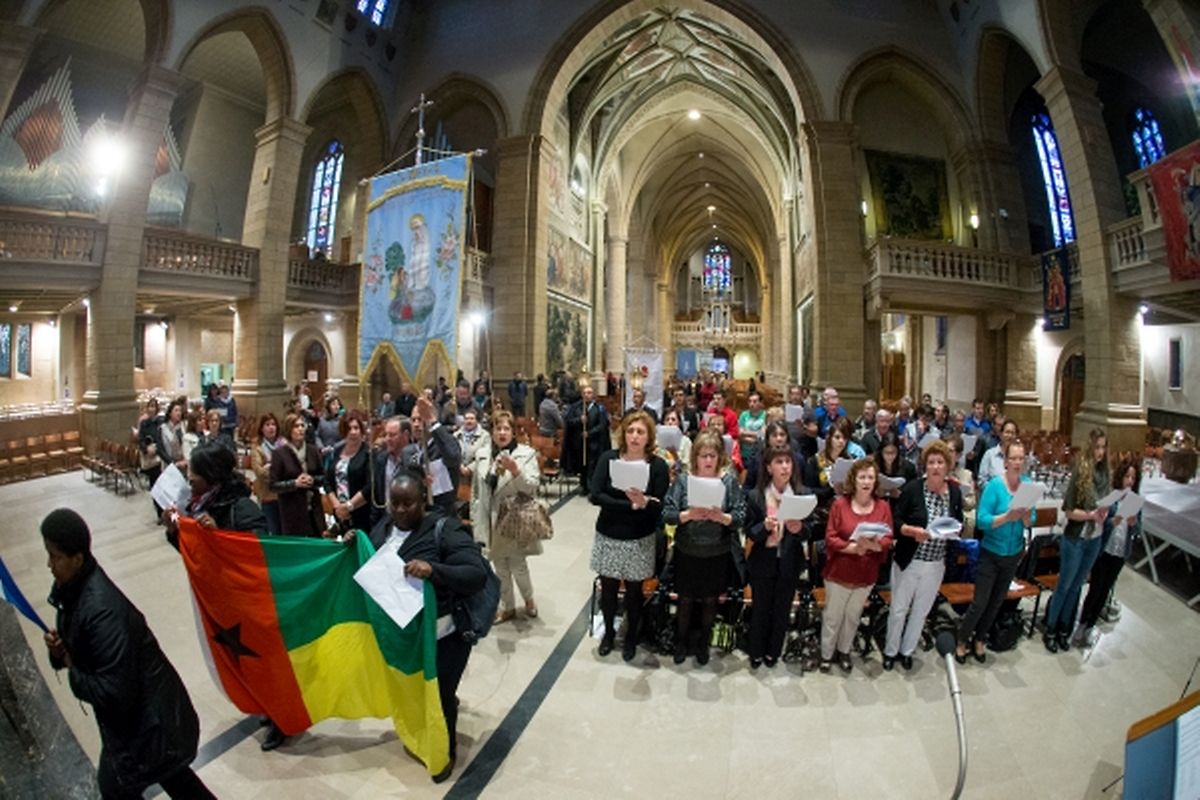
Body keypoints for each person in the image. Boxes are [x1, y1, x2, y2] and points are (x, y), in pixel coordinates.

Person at [41, 508, 215, 800]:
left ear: (78, 558)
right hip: (141, 723)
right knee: (175, 780)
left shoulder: (102, 610)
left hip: (148, 721)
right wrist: (60, 653)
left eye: (55, 556)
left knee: (120, 788)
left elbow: (114, 691)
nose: (49, 564)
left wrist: (73, 670)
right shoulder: (73, 591)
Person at [364, 475, 488, 783]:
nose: (401, 510)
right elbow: (370, 561)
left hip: (445, 635)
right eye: (395, 503)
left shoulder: (444, 530)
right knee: (417, 689)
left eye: (409, 503)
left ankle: (443, 753)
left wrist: (434, 570)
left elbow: (476, 573)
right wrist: (356, 542)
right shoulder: (383, 526)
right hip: (405, 635)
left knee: (441, 694)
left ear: (423, 501)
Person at [589, 411, 670, 662]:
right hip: (609, 533)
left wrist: (646, 502)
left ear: (649, 437)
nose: (634, 436)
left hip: (639, 536)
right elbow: (595, 494)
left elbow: (661, 504)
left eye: (640, 432)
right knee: (610, 589)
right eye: (631, 431)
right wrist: (631, 505)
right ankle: (609, 634)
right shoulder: (608, 458)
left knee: (635, 592)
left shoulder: (657, 465)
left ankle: (632, 636)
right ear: (623, 433)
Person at [662, 431, 747, 666]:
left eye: (712, 455)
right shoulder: (683, 480)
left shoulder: (728, 481)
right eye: (702, 455)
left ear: (719, 457)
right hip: (687, 551)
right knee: (686, 600)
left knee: (711, 600)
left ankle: (703, 644)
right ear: (695, 457)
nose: (708, 460)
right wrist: (687, 515)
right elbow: (667, 513)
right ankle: (681, 641)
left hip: (716, 552)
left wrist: (724, 518)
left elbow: (741, 515)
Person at [883, 440, 964, 671]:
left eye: (940, 462)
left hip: (936, 562)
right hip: (910, 560)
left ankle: (907, 650)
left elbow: (957, 522)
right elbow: (896, 520)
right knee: (899, 609)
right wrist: (910, 531)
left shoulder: (955, 493)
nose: (936, 467)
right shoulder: (913, 489)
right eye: (931, 462)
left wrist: (954, 531)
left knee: (921, 612)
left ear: (947, 466)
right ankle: (891, 651)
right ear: (924, 466)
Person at [955, 440, 1032, 664]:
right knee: (980, 601)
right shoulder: (995, 487)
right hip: (991, 552)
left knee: (997, 601)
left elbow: (1031, 519)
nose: (1018, 463)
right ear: (1006, 462)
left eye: (1021, 458)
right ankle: (962, 640)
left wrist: (1027, 517)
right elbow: (982, 521)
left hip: (1013, 552)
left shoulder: (1027, 485)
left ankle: (980, 638)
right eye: (1014, 458)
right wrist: (1006, 517)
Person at [820, 458, 892, 673]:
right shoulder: (840, 504)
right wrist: (852, 548)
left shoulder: (883, 506)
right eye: (862, 477)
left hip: (866, 572)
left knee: (852, 616)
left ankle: (844, 651)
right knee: (833, 616)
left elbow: (888, 538)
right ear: (854, 479)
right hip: (839, 571)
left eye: (870, 477)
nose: (866, 481)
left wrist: (872, 545)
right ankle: (826, 653)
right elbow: (830, 538)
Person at [468, 411, 541, 623]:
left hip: (513, 518)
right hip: (489, 520)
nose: (502, 432)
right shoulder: (483, 454)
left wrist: (515, 470)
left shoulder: (525, 454)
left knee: (518, 565)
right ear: (492, 432)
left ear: (513, 432)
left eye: (506, 428)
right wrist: (475, 515)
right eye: (498, 428)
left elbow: (531, 487)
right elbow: (476, 490)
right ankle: (507, 607)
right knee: (500, 567)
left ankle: (528, 599)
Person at [743, 444, 810, 668]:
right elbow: (749, 531)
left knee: (782, 609)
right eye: (779, 462)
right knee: (761, 608)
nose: (784, 467)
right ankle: (756, 652)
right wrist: (764, 527)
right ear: (769, 467)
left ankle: (773, 652)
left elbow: (810, 531)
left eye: (788, 462)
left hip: (789, 561)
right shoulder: (756, 496)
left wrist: (799, 528)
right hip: (763, 561)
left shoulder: (800, 494)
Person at [1043, 428, 1110, 653]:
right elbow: (1069, 511)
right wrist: (1091, 515)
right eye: (1097, 447)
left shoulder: (1104, 474)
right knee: (1065, 585)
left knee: (1077, 587)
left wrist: (1106, 511)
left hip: (1095, 537)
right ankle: (1051, 629)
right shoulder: (1081, 472)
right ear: (1090, 447)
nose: (1100, 452)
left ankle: (1065, 629)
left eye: (1103, 447)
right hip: (1076, 537)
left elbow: (1106, 502)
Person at [1077, 456, 1142, 645]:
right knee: (1096, 587)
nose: (1129, 481)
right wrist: (1111, 522)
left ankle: (1091, 625)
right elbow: (1099, 518)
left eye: (1133, 478)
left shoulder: (1135, 501)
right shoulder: (1112, 496)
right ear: (1120, 477)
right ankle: (1082, 623)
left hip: (1120, 552)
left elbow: (1138, 530)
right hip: (1104, 548)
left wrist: (1134, 524)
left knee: (1106, 589)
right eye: (1127, 476)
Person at [163, 445, 269, 547]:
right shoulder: (197, 508)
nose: (189, 478)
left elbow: (256, 552)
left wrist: (217, 534)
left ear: (210, 475)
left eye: (194, 472)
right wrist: (174, 531)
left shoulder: (243, 508)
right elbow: (195, 554)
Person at [402, 395, 464, 517]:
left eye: (420, 419)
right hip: (418, 513)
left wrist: (432, 420)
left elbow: (453, 457)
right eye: (413, 420)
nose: (416, 424)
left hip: (443, 513)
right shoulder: (408, 451)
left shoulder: (443, 444)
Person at [270, 412, 326, 537]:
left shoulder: (313, 450)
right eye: (296, 426)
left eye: (302, 426)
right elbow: (273, 485)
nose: (300, 429)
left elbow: (323, 477)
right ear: (289, 429)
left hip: (314, 509)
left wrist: (313, 480)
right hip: (292, 510)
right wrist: (295, 483)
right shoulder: (279, 454)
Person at [324, 409, 373, 536]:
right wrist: (337, 507)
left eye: (356, 428)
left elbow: (370, 486)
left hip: (361, 513)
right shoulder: (337, 450)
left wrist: (349, 506)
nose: (353, 432)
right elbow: (327, 481)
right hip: (340, 514)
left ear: (361, 430)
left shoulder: (368, 453)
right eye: (349, 428)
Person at [564, 384, 610, 493]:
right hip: (580, 443)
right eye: (584, 393)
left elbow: (602, 425)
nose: (587, 395)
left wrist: (589, 433)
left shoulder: (599, 408)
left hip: (594, 443)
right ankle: (584, 485)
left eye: (589, 393)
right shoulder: (576, 407)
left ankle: (591, 487)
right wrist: (579, 420)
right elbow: (568, 421)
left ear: (593, 395)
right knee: (583, 464)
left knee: (592, 465)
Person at [369, 416, 412, 528]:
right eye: (385, 435)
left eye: (392, 435)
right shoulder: (380, 459)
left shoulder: (415, 460)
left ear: (406, 435)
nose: (387, 439)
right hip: (384, 521)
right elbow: (377, 496)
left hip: (408, 523)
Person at [250, 412, 284, 535]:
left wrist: (270, 465)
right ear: (261, 428)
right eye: (267, 424)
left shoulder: (283, 444)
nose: (271, 427)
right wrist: (278, 468)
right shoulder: (257, 447)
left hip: (284, 494)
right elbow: (260, 472)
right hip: (267, 495)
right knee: (273, 530)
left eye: (273, 424)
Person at [944, 434, 978, 538]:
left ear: (958, 455)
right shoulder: (935, 471)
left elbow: (971, 503)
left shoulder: (966, 475)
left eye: (950, 451)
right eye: (944, 450)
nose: (946, 454)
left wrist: (959, 492)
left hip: (958, 521)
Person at [976, 418, 1019, 488]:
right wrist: (996, 489)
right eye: (1007, 432)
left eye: (1012, 433)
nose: (1010, 436)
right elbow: (981, 481)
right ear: (1001, 434)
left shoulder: (1019, 457)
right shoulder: (989, 455)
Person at [737, 390, 767, 482]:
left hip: (760, 453)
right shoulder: (744, 415)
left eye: (755, 401)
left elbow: (764, 436)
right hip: (745, 453)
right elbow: (740, 433)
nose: (751, 404)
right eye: (749, 401)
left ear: (761, 403)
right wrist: (756, 435)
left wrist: (747, 433)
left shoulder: (765, 416)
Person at [656, 407, 692, 481]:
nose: (670, 422)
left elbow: (687, 468)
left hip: (679, 478)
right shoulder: (656, 441)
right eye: (667, 419)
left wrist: (675, 455)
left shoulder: (686, 441)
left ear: (679, 423)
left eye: (673, 419)